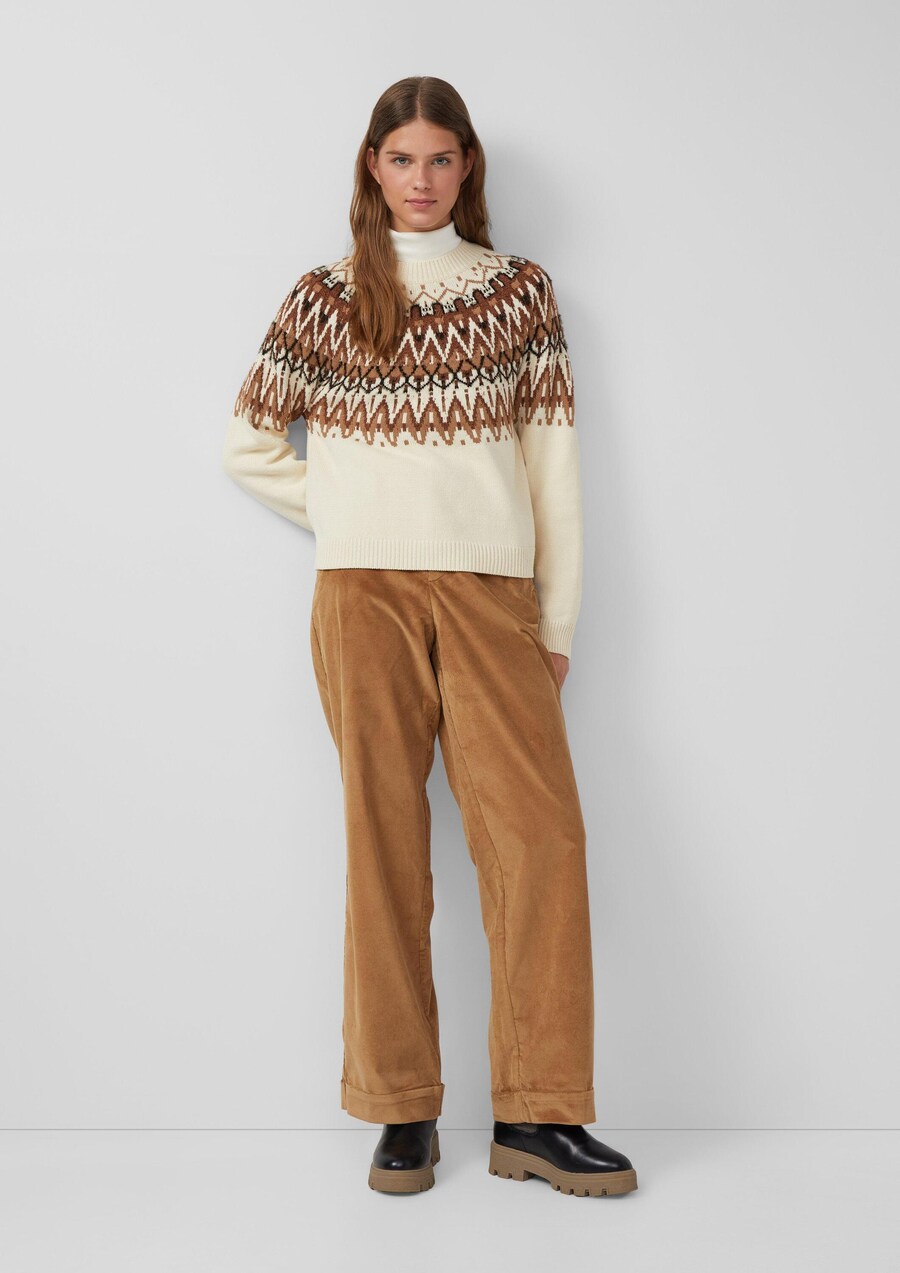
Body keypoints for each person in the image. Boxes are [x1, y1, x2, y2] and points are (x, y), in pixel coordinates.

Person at [222, 75, 638, 1199]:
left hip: (494, 595)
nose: (421, 179)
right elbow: (248, 442)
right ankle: (400, 1107)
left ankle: (538, 1112)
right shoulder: (327, 295)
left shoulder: (518, 292)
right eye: (402, 158)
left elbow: (554, 467)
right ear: (374, 166)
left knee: (541, 840)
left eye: (440, 159)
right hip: (362, 596)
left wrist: (556, 620)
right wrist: (355, 511)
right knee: (384, 844)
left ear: (467, 168)